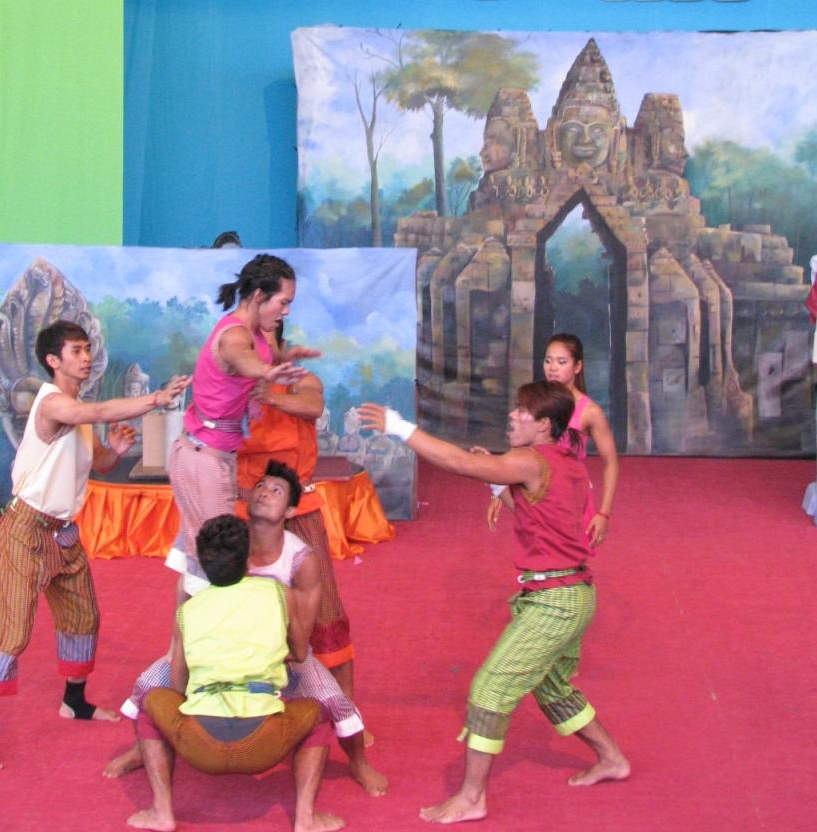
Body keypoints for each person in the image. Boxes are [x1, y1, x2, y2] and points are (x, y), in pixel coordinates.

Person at [358, 383, 629, 825]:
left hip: (556, 601)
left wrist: (399, 427)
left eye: (523, 412)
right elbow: (538, 517)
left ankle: (472, 798)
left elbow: (459, 463)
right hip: (571, 593)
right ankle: (612, 758)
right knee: (551, 687)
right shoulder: (566, 463)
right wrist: (495, 478)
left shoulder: (531, 460)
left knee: (489, 690)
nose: (512, 416)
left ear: (544, 425)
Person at [0, 320, 189, 772]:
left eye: (87, 349)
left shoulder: (76, 413)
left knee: (83, 618)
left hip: (63, 532)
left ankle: (74, 702)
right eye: (76, 350)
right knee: (13, 632)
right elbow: (97, 413)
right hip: (25, 530)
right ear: (53, 360)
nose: (86, 357)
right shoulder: (52, 404)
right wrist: (155, 400)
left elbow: (98, 461)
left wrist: (114, 450)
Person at [107, 462, 387, 797]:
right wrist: (183, 650)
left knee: (334, 701)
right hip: (217, 652)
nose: (265, 492)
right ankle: (142, 750)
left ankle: (358, 762)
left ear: (291, 511)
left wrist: (263, 655)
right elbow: (188, 589)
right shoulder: (228, 540)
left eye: (276, 490)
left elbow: (300, 643)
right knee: (146, 684)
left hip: (282, 658)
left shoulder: (301, 560)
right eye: (261, 486)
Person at [126, 513, 344, 832]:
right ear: (248, 560)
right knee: (318, 712)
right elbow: (299, 653)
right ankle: (305, 819)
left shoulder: (188, 609)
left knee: (151, 703)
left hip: (199, 746)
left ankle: (161, 812)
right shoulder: (277, 593)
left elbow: (178, 684)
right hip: (265, 743)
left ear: (204, 565)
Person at [169, 253, 308, 592]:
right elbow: (241, 358)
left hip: (210, 453)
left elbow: (255, 356)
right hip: (203, 459)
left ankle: (183, 630)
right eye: (283, 302)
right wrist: (267, 372)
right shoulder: (234, 336)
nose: (286, 311)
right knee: (218, 562)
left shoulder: (254, 331)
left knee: (202, 555)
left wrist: (280, 358)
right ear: (259, 295)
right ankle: (202, 627)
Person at [237, 322, 357, 695]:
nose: (256, 354)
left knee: (323, 607)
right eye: (249, 347)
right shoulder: (233, 385)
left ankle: (344, 708)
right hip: (245, 512)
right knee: (239, 606)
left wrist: (270, 397)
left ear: (281, 346)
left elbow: (313, 405)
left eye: (263, 345)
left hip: (298, 510)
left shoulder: (297, 381)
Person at [487, 332, 618, 549]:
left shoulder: (590, 412)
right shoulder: (535, 402)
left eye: (561, 362)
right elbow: (518, 448)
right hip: (534, 494)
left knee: (567, 556)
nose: (553, 368)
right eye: (548, 361)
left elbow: (611, 462)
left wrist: (604, 513)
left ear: (578, 366)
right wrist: (497, 492)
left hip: (568, 499)